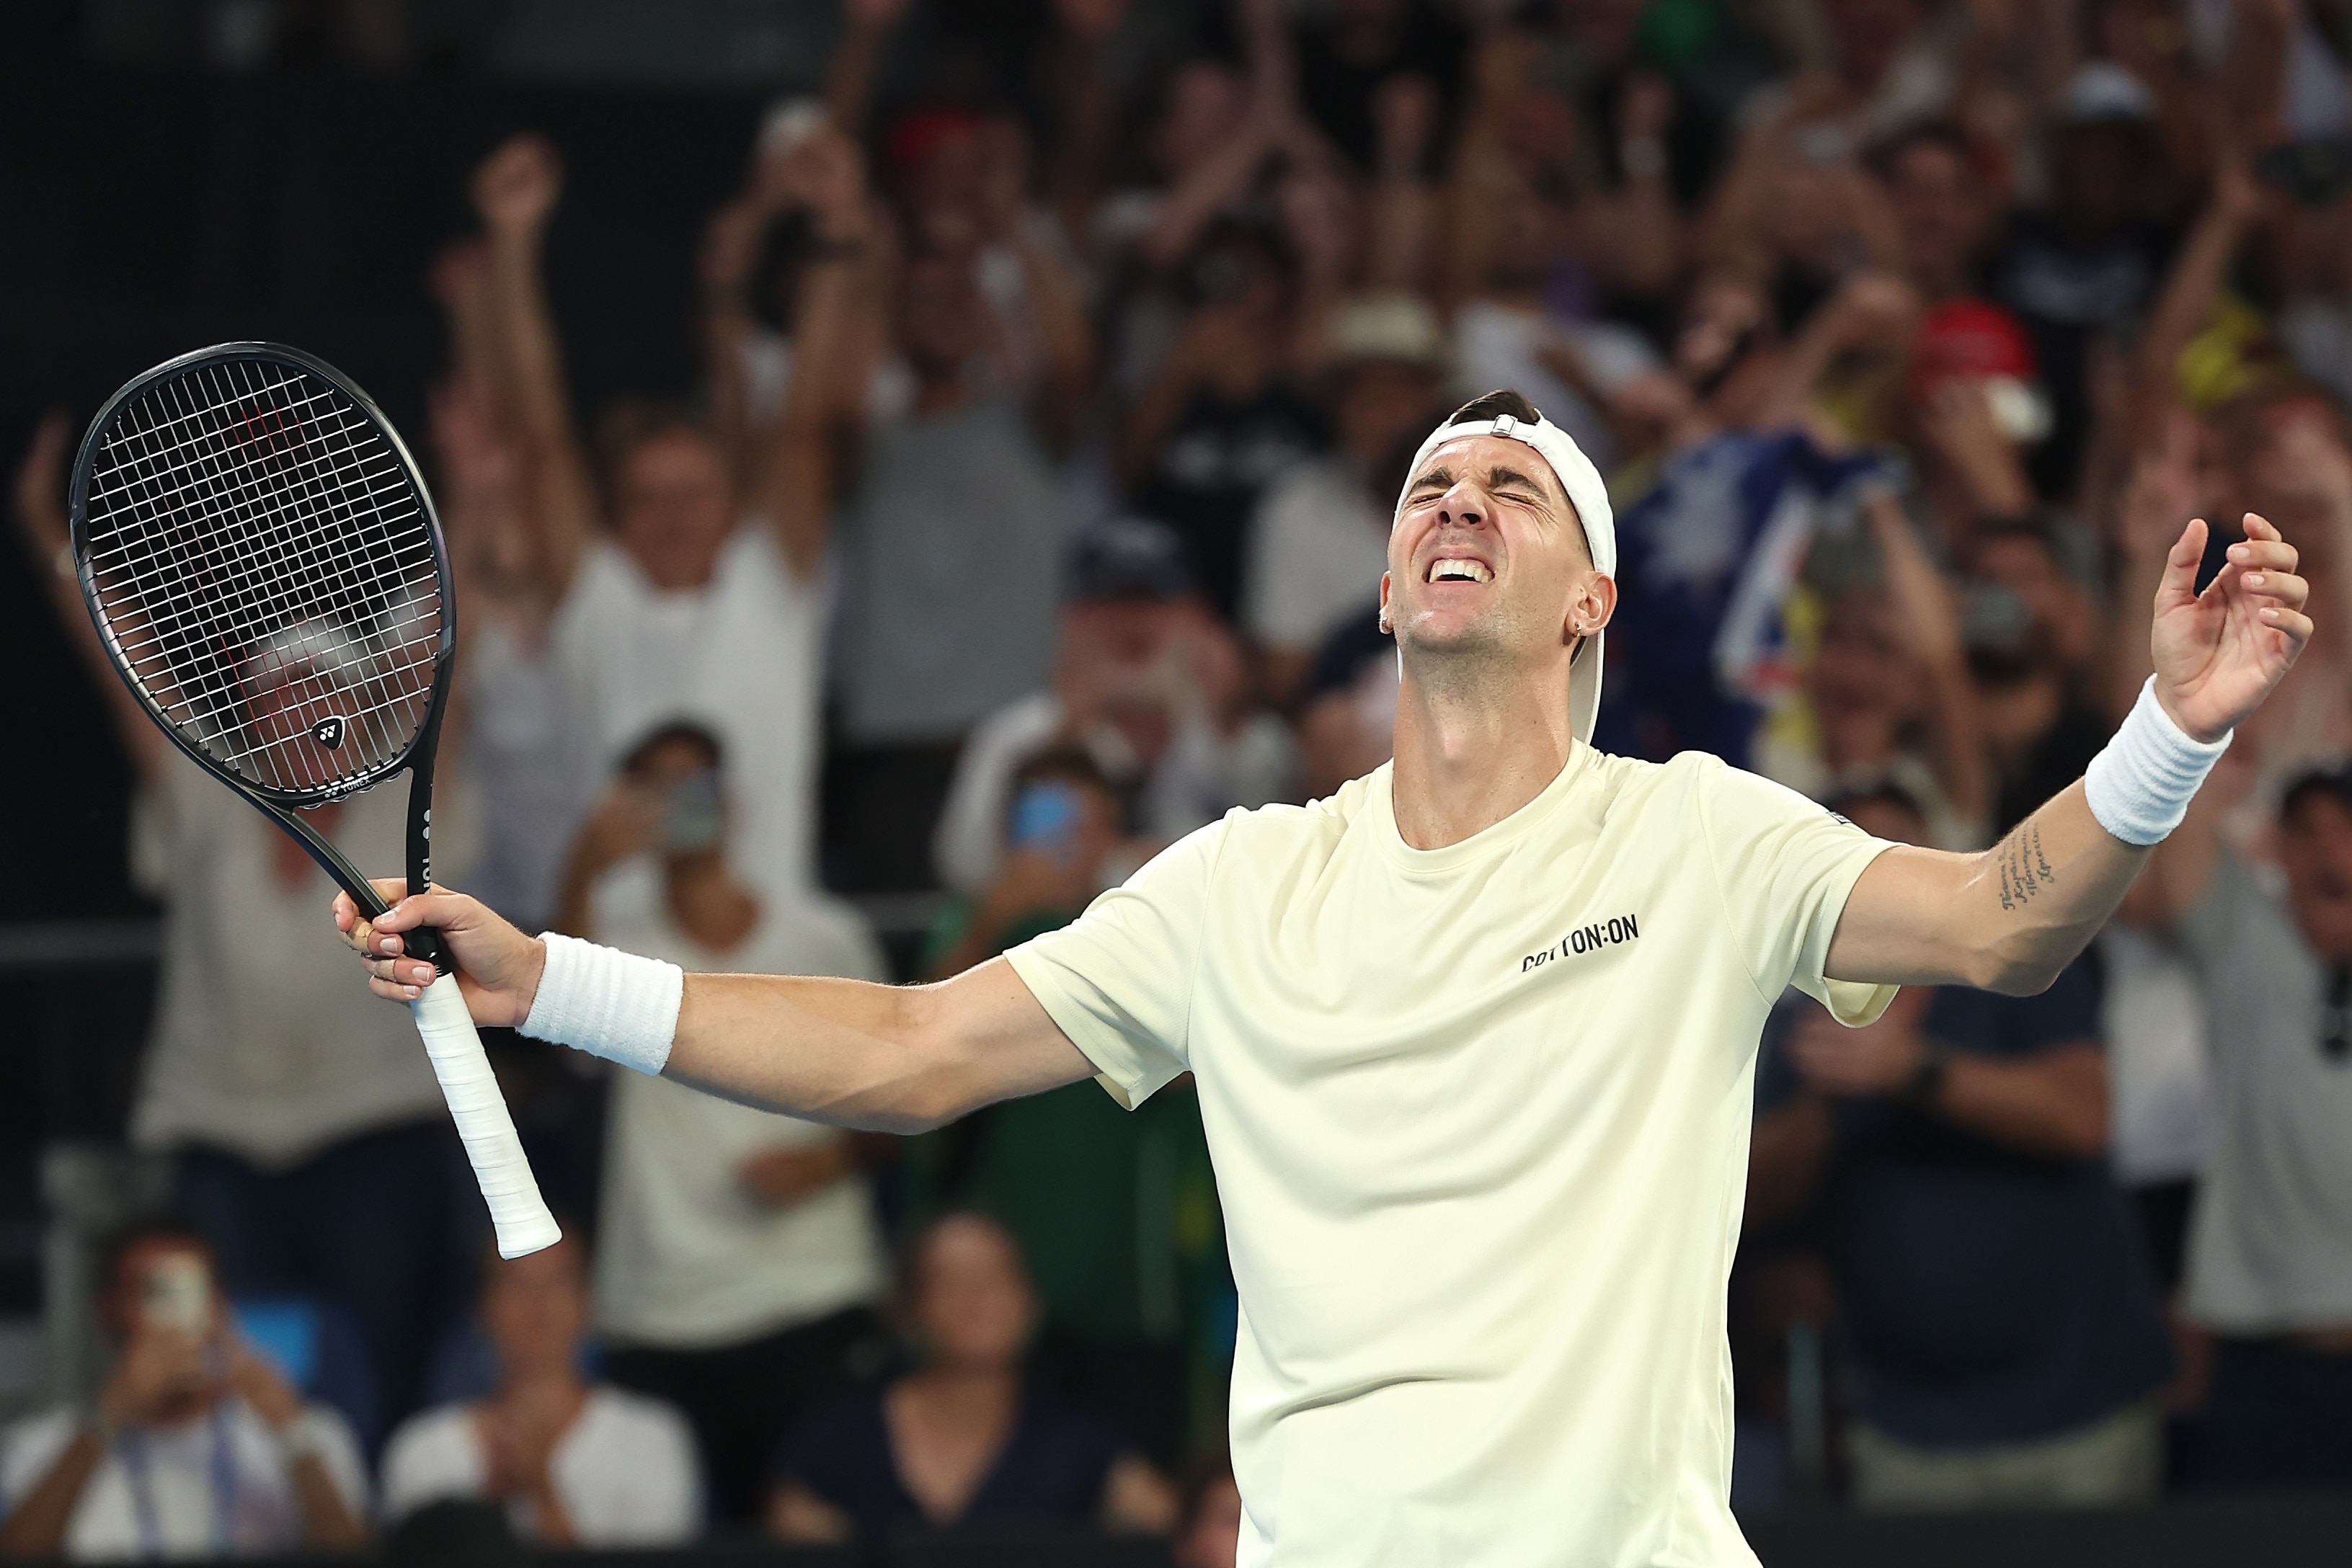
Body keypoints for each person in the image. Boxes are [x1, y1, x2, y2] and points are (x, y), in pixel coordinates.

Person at [339, 387, 2312, 1564]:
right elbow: (911, 1050)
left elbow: (1997, 920)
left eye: (1508, 491)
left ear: (1582, 604)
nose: (1454, 505)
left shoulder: (1694, 838)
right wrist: (547, 984)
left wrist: (2164, 726)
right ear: (1383, 587)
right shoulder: (1236, 887)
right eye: (1426, 493)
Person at [12, 418, 475, 1430]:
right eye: (274, 693)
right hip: (220, 1145)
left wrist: (475, 499)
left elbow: (453, 632)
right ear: (247, 715)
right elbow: (117, 655)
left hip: (379, 1140)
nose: (296, 707)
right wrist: (55, 534)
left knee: (378, 1395)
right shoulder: (206, 799)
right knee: (219, 1393)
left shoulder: (414, 802)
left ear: (360, 706)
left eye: (320, 690)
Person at [1748, 784, 2173, 1510]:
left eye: (1895, 854)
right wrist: (1834, 1090)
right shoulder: (1790, 1011)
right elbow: (1746, 1197)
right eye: (1844, 858)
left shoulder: (2017, 958)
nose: (1872, 878)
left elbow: (2080, 1114)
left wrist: (1910, 1069)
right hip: (1906, 1430)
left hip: (2076, 1413)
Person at [462, 132, 834, 902]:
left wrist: (835, 234)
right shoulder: (597, 594)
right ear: (614, 516)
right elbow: (541, 436)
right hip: (621, 962)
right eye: (648, 497)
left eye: (694, 491)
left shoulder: (769, 584)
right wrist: (513, 238)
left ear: (731, 507)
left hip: (772, 953)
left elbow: (803, 429)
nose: (674, 515)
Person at [554, 721, 895, 1525]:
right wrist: (582, 865)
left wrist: (821, 1165)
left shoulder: (822, 935)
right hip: (658, 1314)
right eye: (655, 788)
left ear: (733, 804)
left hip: (811, 1295)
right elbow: (551, 1008)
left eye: (695, 782)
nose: (680, 804)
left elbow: (905, 1097)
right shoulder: (615, 949)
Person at [2133, 760, 2352, 1487]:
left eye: (2347, 829)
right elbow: (2183, 841)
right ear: (2277, 850)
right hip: (2265, 1368)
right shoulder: (2244, 943)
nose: (2330, 851)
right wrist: (2199, 732)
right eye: (2307, 831)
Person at [932, 517, 1288, 901]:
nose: (1134, 625)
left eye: (1154, 601)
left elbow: (1275, 866)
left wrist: (1226, 721)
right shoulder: (1019, 733)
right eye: (1112, 602)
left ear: (1196, 617)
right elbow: (965, 868)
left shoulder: (1244, 734)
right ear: (1071, 620)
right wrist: (1067, 739)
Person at [768, 1213, 1176, 1540]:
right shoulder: (835, 1441)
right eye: (952, 1283)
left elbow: (1177, 1529)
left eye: (997, 1278)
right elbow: (791, 1535)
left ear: (1031, 1302)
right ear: (909, 1311)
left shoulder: (1083, 1444)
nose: (978, 1300)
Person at [0, 1221, 368, 1559]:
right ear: (106, 1311)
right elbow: (18, 1557)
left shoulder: (309, 1433)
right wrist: (105, 1421)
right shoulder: (42, 1445)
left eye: (191, 1289)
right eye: (153, 1292)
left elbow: (353, 1558)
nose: (173, 1314)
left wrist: (291, 1432)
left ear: (221, 1305)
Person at [378, 1235, 699, 1546]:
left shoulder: (651, 1439)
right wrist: (486, 1511)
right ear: (481, 1308)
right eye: (515, 1283)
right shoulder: (421, 1452)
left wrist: (542, 1494)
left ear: (588, 1300)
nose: (538, 1302)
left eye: (558, 1281)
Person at [1243, 291, 1449, 704]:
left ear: (1436, 406)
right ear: (1337, 407)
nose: (1388, 418)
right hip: (1342, 724)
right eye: (1368, 398)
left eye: (1402, 397)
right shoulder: (1297, 506)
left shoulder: (1481, 505)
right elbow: (1283, 677)